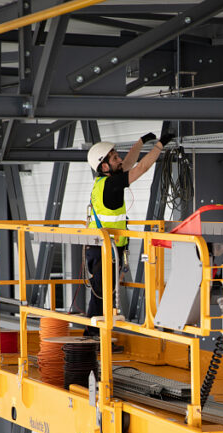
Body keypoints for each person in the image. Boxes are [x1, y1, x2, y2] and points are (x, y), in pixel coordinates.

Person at [84, 131, 175, 331]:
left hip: (102, 248)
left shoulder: (104, 182)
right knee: (102, 297)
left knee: (101, 294)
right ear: (105, 166)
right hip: (104, 251)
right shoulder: (111, 185)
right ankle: (93, 337)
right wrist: (159, 146)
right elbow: (141, 168)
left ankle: (92, 337)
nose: (120, 160)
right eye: (115, 158)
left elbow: (127, 165)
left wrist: (141, 142)